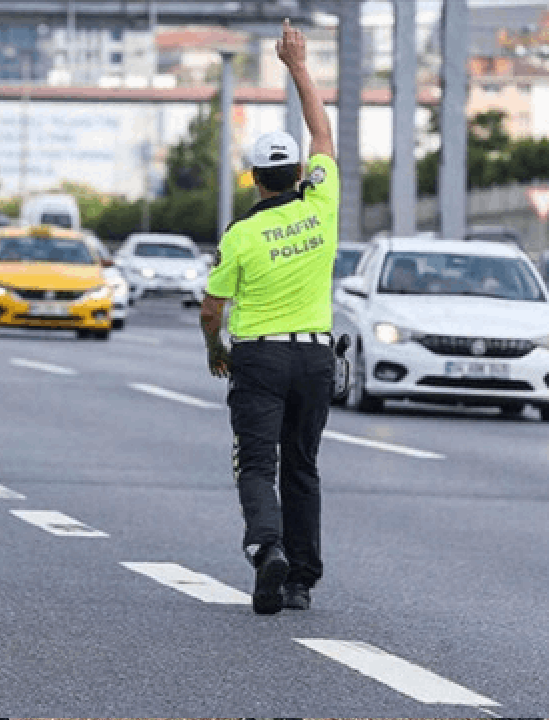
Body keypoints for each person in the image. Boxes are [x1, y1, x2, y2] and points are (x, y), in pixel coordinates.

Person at [200, 19, 339, 616]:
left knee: (259, 463)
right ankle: (300, 580)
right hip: (314, 356)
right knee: (302, 466)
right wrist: (298, 65)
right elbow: (322, 131)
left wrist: (215, 349)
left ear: (255, 179)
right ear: (298, 173)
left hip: (258, 357)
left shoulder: (243, 235)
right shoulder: (324, 203)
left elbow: (212, 310)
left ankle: (266, 547)